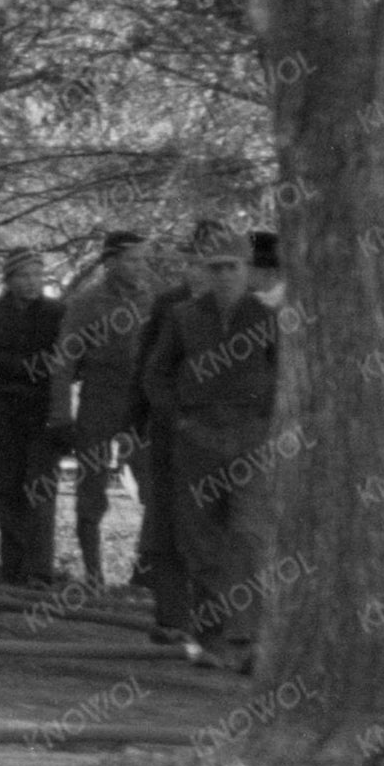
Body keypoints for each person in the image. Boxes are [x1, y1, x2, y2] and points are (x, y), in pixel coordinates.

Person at [156, 231, 288, 672]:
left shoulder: (270, 316)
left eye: (233, 266)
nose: (225, 275)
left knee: (248, 534)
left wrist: (268, 422)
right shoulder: (184, 316)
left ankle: (246, 638)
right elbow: (157, 373)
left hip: (251, 436)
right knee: (200, 538)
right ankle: (212, 637)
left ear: (248, 268)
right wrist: (180, 419)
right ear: (204, 272)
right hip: (198, 437)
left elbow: (286, 372)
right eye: (216, 267)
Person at [126, 216, 243, 658]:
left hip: (227, 438)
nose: (204, 272)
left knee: (218, 529)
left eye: (215, 263)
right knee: (167, 524)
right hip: (171, 432)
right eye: (196, 263)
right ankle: (172, 619)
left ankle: (218, 622)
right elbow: (148, 368)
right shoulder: (170, 307)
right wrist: (135, 422)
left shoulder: (245, 311)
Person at [53, 228, 153, 589]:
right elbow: (64, 360)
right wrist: (61, 414)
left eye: (142, 259)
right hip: (99, 397)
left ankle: (144, 574)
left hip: (141, 403)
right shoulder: (87, 301)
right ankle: (94, 574)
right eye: (131, 259)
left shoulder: (153, 299)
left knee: (154, 488)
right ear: (110, 262)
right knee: (90, 489)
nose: (139, 266)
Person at [0, 246, 71, 584]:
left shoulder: (58, 313)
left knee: (39, 491)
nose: (32, 282)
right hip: (6, 409)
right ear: (9, 280)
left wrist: (62, 411)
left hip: (44, 411)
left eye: (37, 275)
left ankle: (39, 572)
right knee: (8, 489)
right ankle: (12, 568)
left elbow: (72, 364)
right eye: (24, 276)